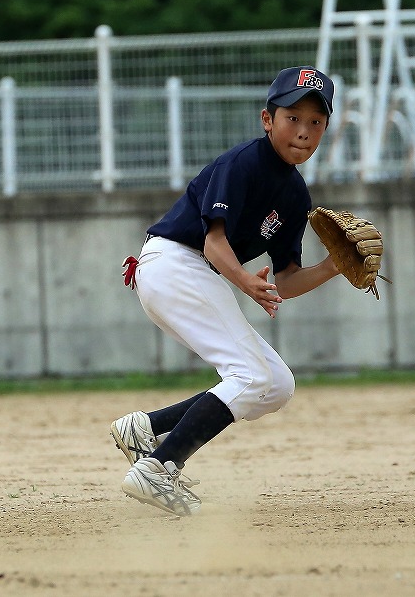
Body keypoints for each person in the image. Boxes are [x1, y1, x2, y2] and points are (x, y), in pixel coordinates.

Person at [111, 66, 340, 516]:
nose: (304, 132)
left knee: (275, 385)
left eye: (316, 122)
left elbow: (287, 280)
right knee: (250, 375)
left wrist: (334, 268)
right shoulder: (244, 163)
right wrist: (245, 282)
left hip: (193, 274)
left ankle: (147, 428)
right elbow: (214, 243)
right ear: (267, 119)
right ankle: (159, 467)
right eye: (293, 117)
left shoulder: (295, 195)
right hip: (173, 264)